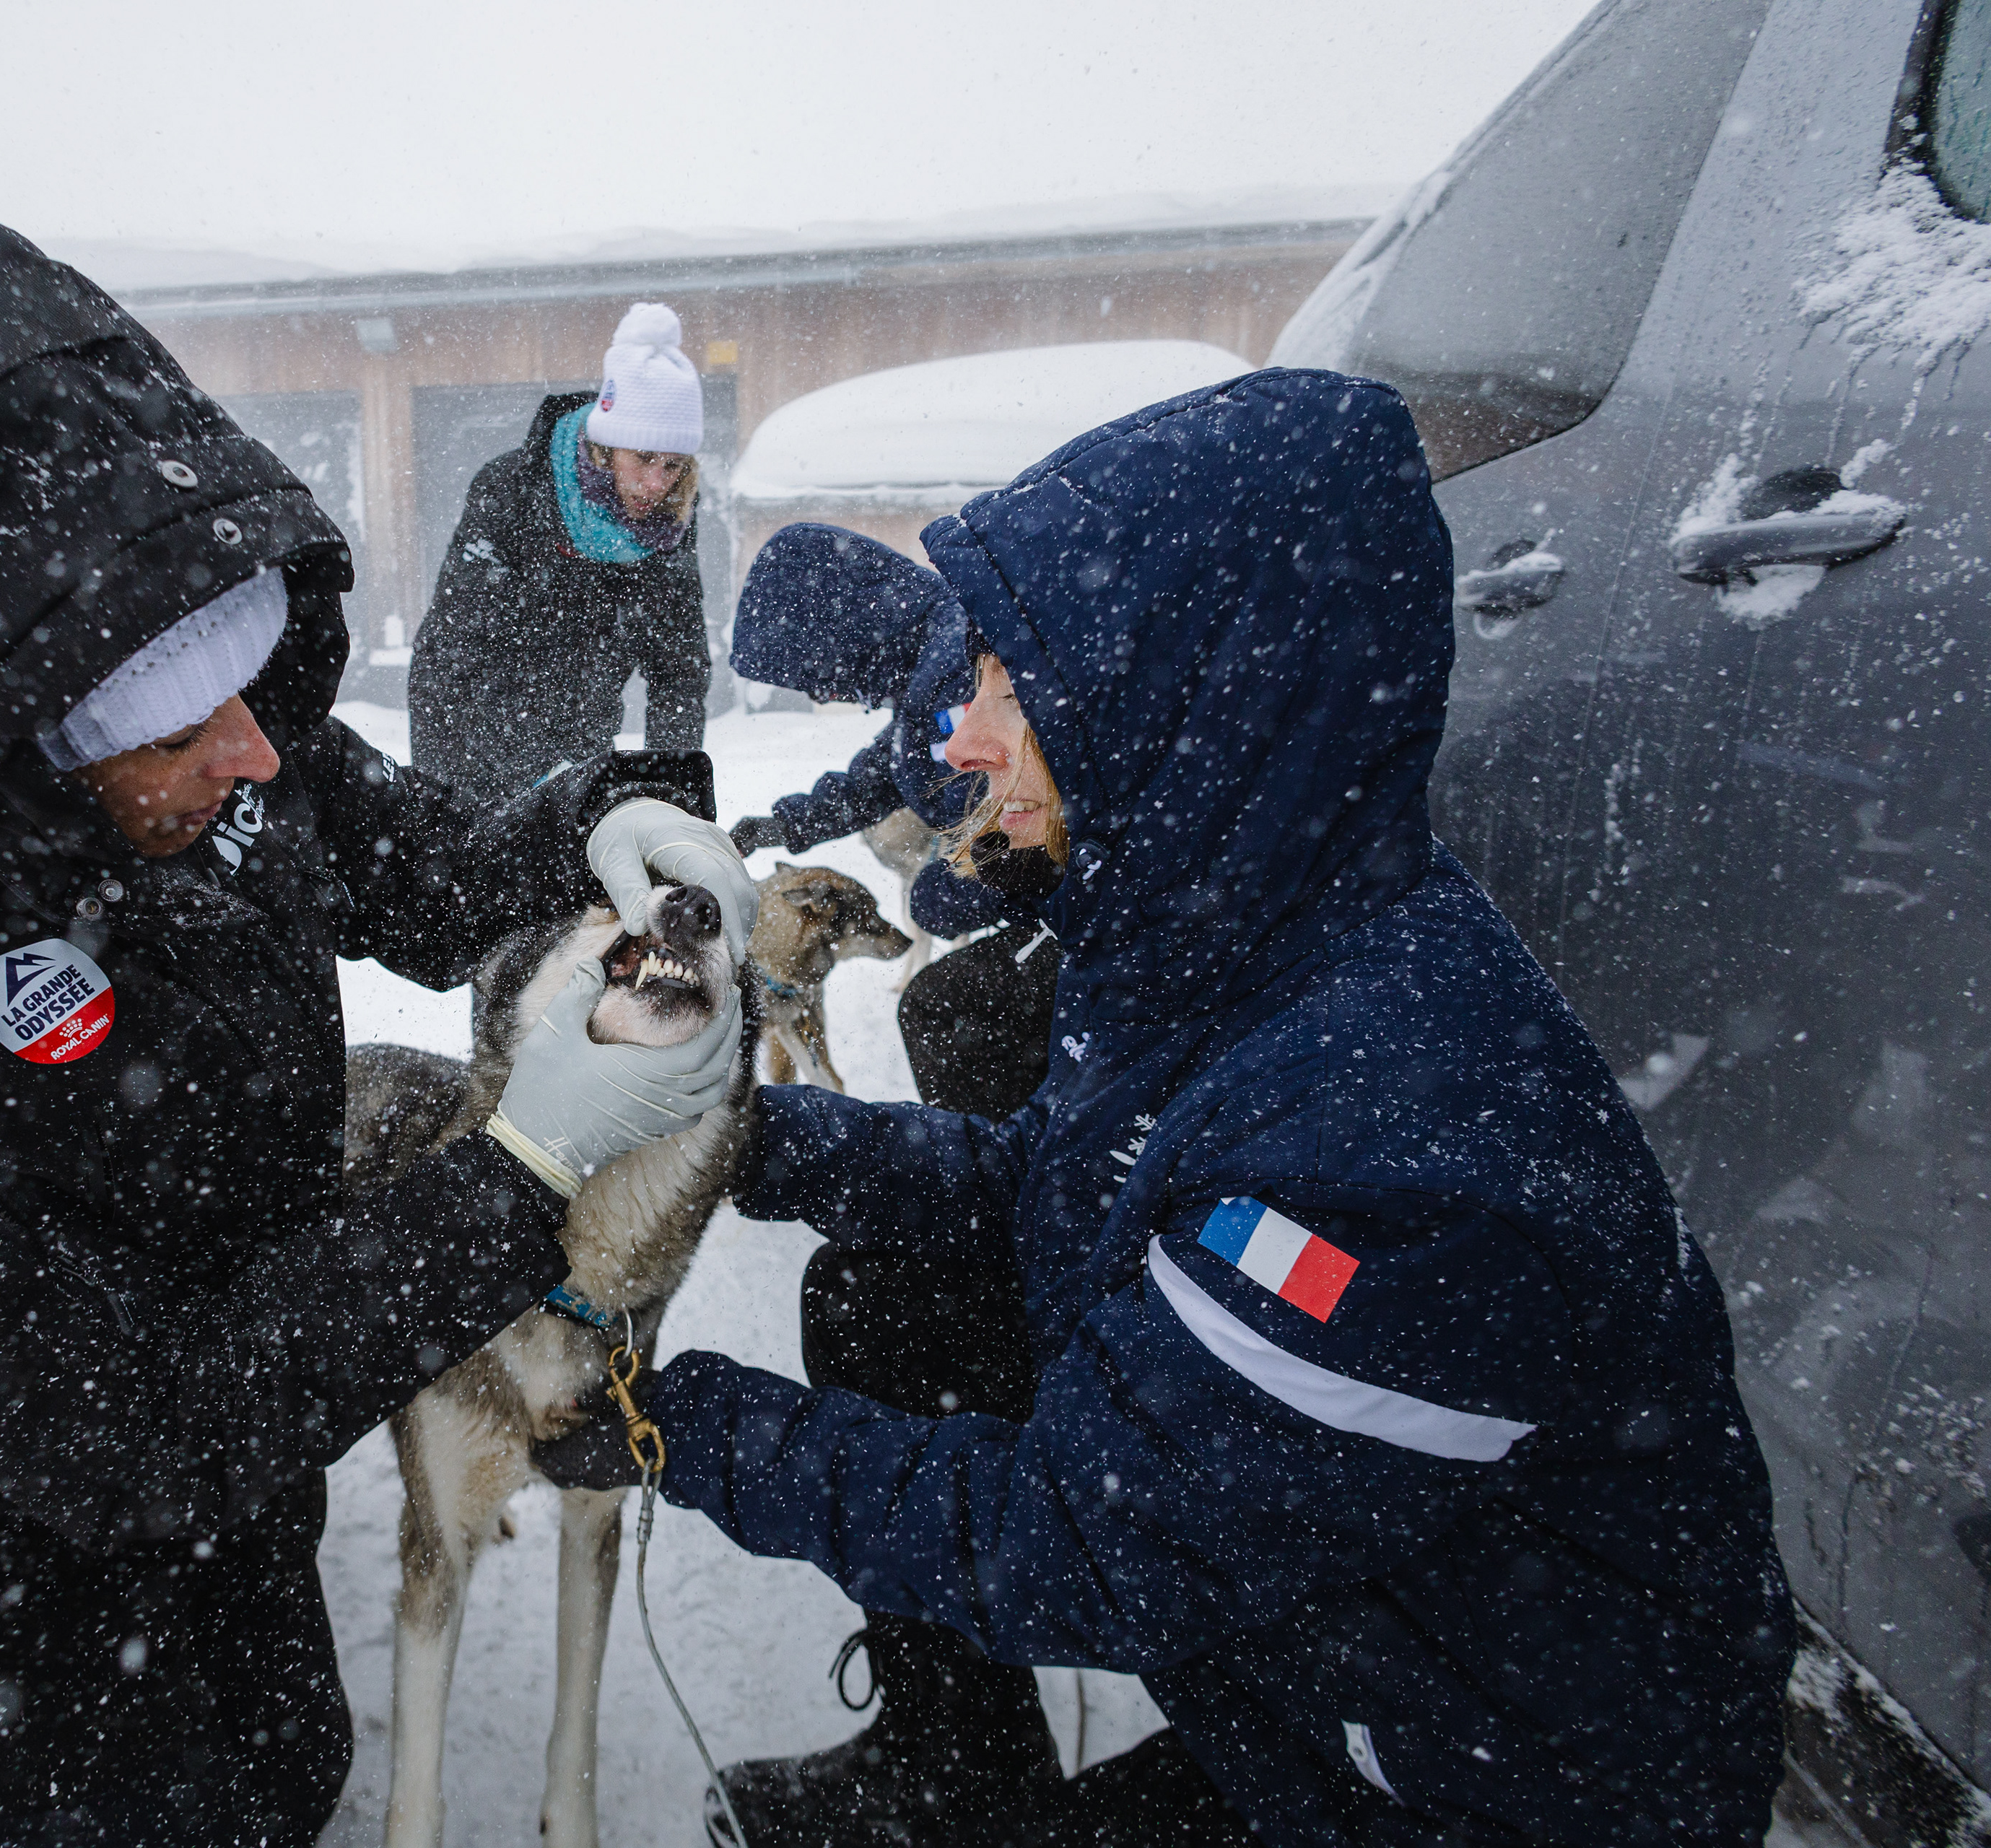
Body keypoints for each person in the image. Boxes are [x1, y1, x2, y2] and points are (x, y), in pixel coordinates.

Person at [0, 207, 760, 1848]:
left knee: (269, 1780)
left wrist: (600, 817)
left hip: (215, 1437)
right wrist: (517, 1171)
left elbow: (415, 861)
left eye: (255, 689)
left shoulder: (194, 727)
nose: (256, 753)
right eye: (188, 721)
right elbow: (129, 1424)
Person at [540, 371, 1792, 1847]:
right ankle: (954, 1764)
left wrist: (669, 1424)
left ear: (1185, 695)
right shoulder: (1237, 930)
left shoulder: (1401, 1152)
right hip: (1356, 1643)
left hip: (1490, 1785)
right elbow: (1067, 1186)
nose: (955, 738)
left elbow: (1071, 1537)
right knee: (897, 1301)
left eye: (1013, 685)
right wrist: (750, 1139)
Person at [723, 519, 1063, 1117]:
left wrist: (960, 890)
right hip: (1075, 901)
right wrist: (782, 826)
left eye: (813, 677)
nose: (826, 697)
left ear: (840, 632)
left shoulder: (951, 681)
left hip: (1086, 909)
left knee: (940, 1006)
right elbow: (877, 779)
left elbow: (1020, 831)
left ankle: (997, 1169)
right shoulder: (934, 656)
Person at [407, 300, 710, 802]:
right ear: (606, 445)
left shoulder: (668, 528)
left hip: (583, 755)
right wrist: (451, 804)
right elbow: (450, 654)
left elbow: (679, 672)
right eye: (645, 458)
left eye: (674, 465)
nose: (657, 483)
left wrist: (669, 798)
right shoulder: (513, 492)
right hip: (478, 755)